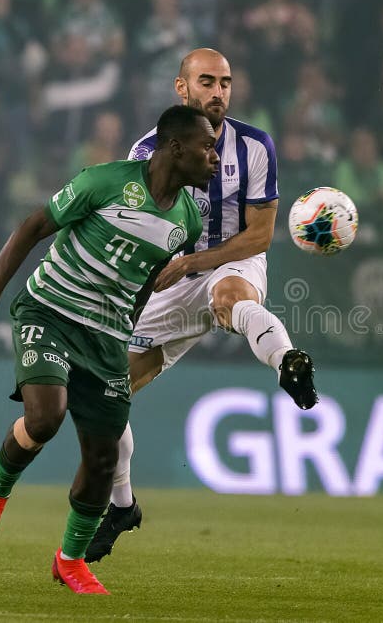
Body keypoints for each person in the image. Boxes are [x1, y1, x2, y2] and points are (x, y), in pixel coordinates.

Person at [0, 104, 216, 595]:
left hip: (106, 338)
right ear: (176, 148)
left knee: (102, 460)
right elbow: (34, 225)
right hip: (48, 310)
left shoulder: (187, 222)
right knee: (46, 417)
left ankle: (70, 561)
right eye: (207, 147)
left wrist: (123, 332)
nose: (214, 159)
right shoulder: (105, 181)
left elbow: (142, 286)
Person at [84, 47, 318, 564]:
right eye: (207, 82)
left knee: (229, 296)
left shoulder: (256, 147)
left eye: (226, 83)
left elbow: (258, 236)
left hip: (227, 261)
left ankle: (288, 362)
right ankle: (122, 506)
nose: (218, 92)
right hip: (168, 277)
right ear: (181, 88)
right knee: (106, 396)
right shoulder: (146, 151)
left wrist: (196, 264)